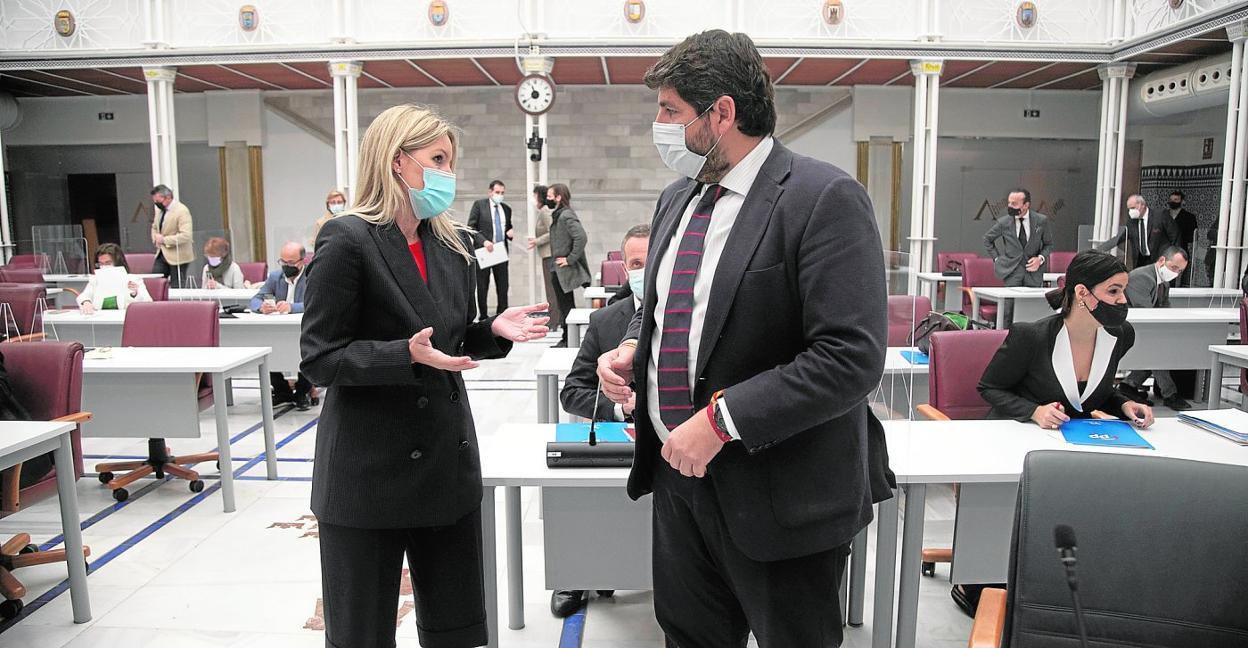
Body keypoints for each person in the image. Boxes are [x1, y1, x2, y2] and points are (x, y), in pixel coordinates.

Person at [595, 30, 894, 647]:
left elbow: (850, 357)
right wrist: (635, 350)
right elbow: (666, 303)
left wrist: (721, 421)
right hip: (679, 485)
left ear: (722, 113)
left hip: (781, 493)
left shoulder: (823, 198)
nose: (660, 127)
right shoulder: (678, 198)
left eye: (671, 112)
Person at [300, 104, 548, 648]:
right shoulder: (347, 241)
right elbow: (320, 357)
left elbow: (450, 337)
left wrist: (493, 331)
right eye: (436, 160)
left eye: (450, 162)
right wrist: (401, 356)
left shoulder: (451, 244)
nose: (447, 174)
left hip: (444, 464)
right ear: (397, 162)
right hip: (367, 472)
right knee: (361, 632)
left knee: (455, 629)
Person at [551, 223, 649, 618]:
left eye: (652, 259)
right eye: (636, 262)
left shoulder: (696, 314)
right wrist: (619, 406)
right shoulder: (607, 321)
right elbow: (572, 390)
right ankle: (577, 572)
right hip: (620, 435)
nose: (645, 269)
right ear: (625, 269)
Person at [979, 249, 1154, 427]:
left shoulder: (1121, 334)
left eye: (1124, 290)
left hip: (1074, 436)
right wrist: (1034, 411)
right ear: (1082, 292)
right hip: (1022, 432)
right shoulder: (1031, 336)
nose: (1123, 300)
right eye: (1114, 291)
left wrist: (1124, 405)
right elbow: (990, 388)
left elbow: (1090, 394)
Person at [1118, 246, 1192, 411]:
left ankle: (1129, 385)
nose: (1176, 273)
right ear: (1161, 261)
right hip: (1127, 327)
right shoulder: (1142, 277)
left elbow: (1165, 309)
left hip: (1145, 327)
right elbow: (1145, 311)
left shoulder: (1163, 283)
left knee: (1160, 346)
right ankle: (1170, 394)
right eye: (1174, 268)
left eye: (1180, 271)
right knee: (1157, 349)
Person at [249, 242, 314, 409]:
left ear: (302, 261)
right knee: (269, 347)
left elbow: (317, 303)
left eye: (291, 263)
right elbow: (255, 299)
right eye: (283, 262)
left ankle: (303, 392)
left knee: (306, 351)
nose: (287, 266)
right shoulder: (275, 277)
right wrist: (261, 307)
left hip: (305, 327)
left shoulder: (313, 276)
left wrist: (293, 307)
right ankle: (281, 390)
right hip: (278, 326)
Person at [547, 183, 591, 347]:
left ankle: (567, 339)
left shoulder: (565, 216)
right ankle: (566, 337)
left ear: (558, 197)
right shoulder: (559, 215)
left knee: (565, 304)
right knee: (564, 303)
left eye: (550, 196)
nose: (548, 199)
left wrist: (569, 259)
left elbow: (581, 237)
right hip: (557, 268)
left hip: (562, 268)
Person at [983, 188, 1054, 287]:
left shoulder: (1041, 220)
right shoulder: (1004, 222)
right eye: (1009, 203)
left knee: (1031, 302)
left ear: (1026, 205)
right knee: (1010, 302)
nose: (1010, 206)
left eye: (1014, 204)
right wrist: (997, 259)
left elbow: (1049, 244)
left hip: (1033, 273)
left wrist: (1040, 258)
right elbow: (987, 239)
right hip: (1011, 271)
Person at [467, 180, 513, 318]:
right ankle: (483, 316)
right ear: (490, 192)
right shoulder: (479, 206)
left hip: (500, 251)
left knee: (503, 286)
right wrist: (484, 241)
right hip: (484, 251)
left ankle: (502, 314)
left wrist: (509, 233)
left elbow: (507, 227)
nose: (500, 195)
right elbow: (471, 227)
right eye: (497, 192)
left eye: (502, 193)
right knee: (482, 286)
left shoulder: (506, 209)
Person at [1098, 194, 1180, 270]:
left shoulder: (1160, 215)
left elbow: (1175, 236)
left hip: (1159, 259)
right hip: (1141, 261)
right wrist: (1099, 249)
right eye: (1129, 209)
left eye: (1133, 208)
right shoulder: (1131, 222)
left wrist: (1174, 257)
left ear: (1142, 205)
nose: (1131, 211)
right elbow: (1119, 238)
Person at [76, 243, 153, 314]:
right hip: (101, 318)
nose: (104, 267)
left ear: (118, 262)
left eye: (108, 263)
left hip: (124, 318)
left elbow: (148, 303)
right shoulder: (96, 279)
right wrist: (86, 302)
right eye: (100, 264)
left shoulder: (134, 279)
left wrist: (135, 293)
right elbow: (83, 296)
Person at [526, 184, 563, 328]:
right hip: (546, 254)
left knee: (551, 289)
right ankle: (555, 319)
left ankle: (554, 320)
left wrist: (536, 241)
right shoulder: (543, 211)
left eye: (535, 196)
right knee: (550, 288)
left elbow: (551, 232)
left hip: (549, 255)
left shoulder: (545, 212)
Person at [149, 184, 194, 288]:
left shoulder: (182, 211)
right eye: (154, 201)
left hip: (178, 255)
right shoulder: (160, 211)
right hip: (162, 253)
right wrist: (155, 238)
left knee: (177, 286)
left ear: (168, 197)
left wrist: (164, 240)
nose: (156, 203)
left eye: (158, 200)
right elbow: (154, 227)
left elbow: (186, 235)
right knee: (155, 282)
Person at [1167, 190, 1198, 286]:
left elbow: (1192, 236)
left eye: (1176, 200)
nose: (1173, 202)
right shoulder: (1164, 215)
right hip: (1166, 249)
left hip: (1181, 249)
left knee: (1179, 276)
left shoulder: (1189, 217)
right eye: (1171, 200)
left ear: (1182, 201)